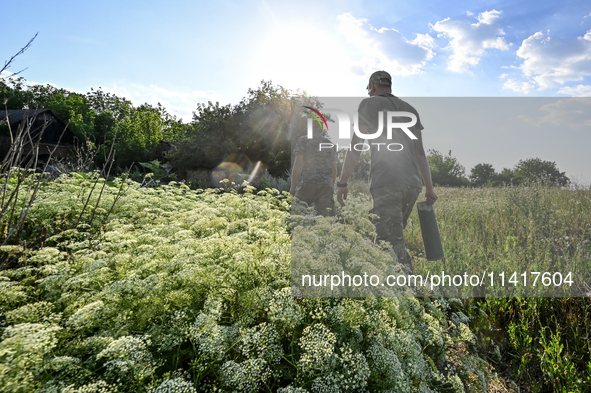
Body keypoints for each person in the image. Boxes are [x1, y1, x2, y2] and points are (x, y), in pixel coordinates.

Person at [336, 70, 438, 273]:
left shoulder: (369, 104)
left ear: (372, 87)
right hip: (412, 184)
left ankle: (407, 291)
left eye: (369, 90)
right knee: (390, 233)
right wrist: (429, 188)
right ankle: (391, 284)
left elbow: (356, 146)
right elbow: (420, 154)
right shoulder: (410, 109)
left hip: (387, 181)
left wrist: (343, 182)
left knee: (390, 243)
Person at [290, 120, 337, 216]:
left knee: (297, 214)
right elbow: (334, 169)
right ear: (321, 130)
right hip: (326, 186)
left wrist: (293, 187)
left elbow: (298, 164)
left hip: (309, 184)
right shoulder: (330, 144)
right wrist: (330, 186)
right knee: (328, 220)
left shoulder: (304, 140)